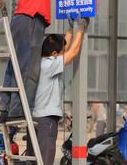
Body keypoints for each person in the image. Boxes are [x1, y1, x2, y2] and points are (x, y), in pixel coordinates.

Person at [28, 16, 89, 165]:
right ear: (54, 55)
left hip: (35, 118)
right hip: (46, 120)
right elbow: (73, 52)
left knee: (33, 158)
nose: (64, 52)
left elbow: (65, 48)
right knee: (45, 159)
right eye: (61, 52)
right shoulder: (49, 65)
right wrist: (81, 28)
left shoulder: (39, 62)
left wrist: (70, 29)